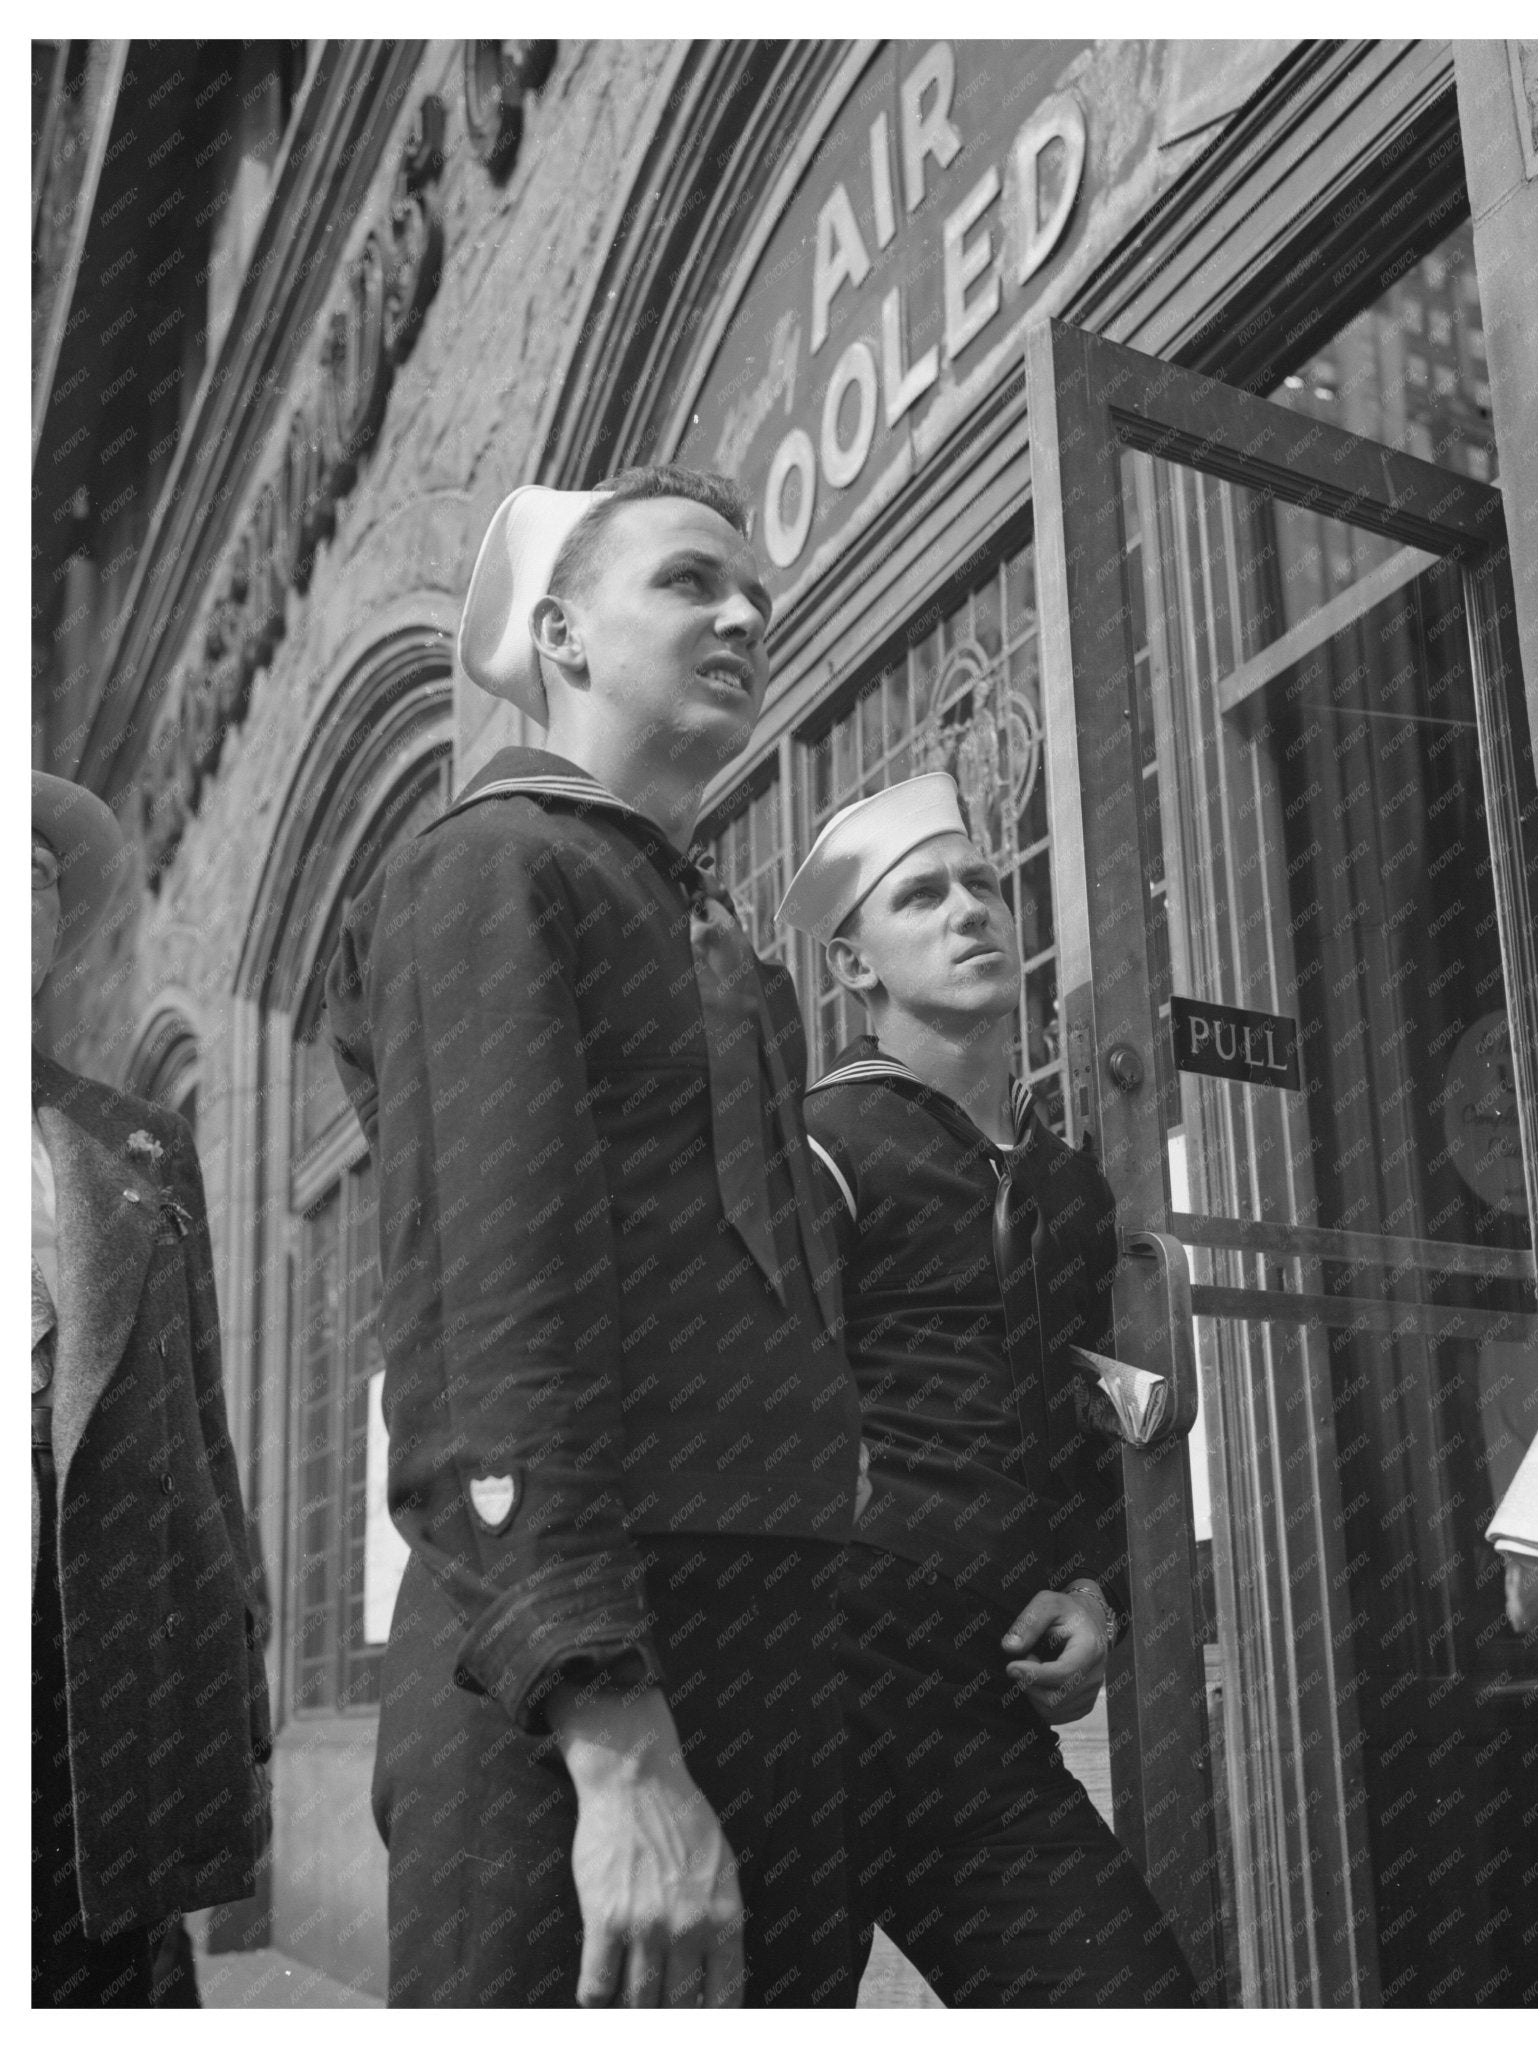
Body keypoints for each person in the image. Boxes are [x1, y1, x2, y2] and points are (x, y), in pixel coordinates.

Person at [325, 467, 863, 2008]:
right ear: (559, 633)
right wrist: (614, 1745)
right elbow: (487, 1301)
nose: (744, 612)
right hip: (580, 1683)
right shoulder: (494, 869)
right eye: (689, 581)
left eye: (755, 589)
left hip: (763, 1647)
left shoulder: (700, 924)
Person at [779, 773, 1196, 2008]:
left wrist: (1093, 1593)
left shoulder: (1066, 1180)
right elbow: (746, 1425)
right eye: (922, 895)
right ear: (856, 969)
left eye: (982, 882)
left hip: (974, 1726)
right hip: (805, 1713)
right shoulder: (816, 1148)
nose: (968, 909)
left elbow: (1080, 1423)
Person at [31, 772, 271, 2009]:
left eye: (37, 882)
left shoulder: (134, 1144)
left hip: (93, 1633)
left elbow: (204, 1434)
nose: (19, 901)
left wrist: (235, 1670)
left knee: (109, 1962)